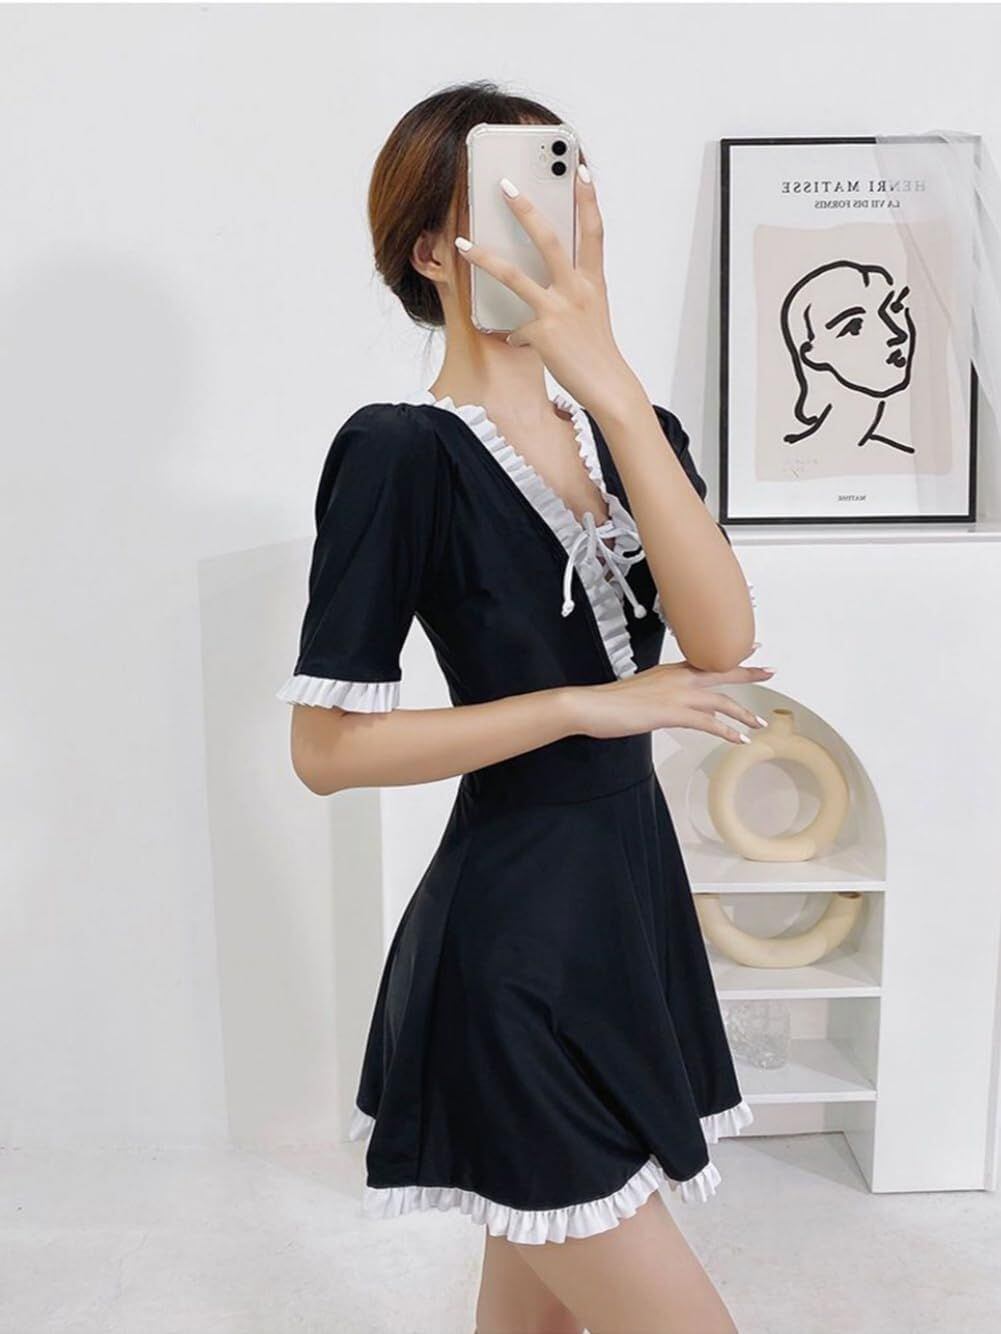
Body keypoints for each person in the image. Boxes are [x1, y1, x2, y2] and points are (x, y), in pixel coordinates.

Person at [278, 80, 769, 1334]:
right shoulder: (401, 451)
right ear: (429, 253)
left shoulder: (634, 431)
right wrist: (582, 705)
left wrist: (612, 393)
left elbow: (722, 642)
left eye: (560, 198)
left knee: (534, 1317)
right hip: (510, 949)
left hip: (624, 918)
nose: (546, 235)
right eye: (502, 211)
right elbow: (325, 751)